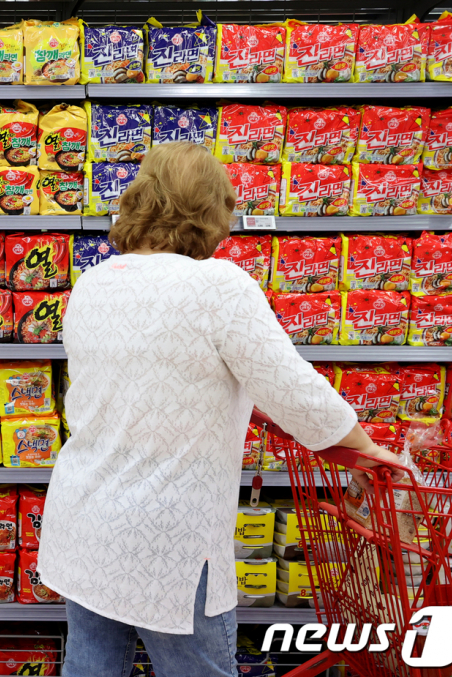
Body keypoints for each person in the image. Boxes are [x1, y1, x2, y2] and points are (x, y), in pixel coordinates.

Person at [37, 141, 403, 677]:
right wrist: (363, 447)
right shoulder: (219, 286)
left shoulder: (93, 282)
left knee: (91, 667)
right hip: (170, 536)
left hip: (84, 518)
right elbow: (292, 387)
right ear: (212, 210)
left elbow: (136, 382)